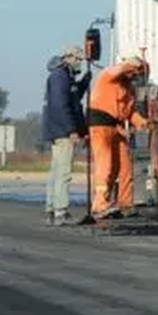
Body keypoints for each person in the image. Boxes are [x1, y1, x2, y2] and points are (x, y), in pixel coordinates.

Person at [86, 55, 151, 220]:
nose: (136, 78)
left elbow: (130, 112)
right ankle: (99, 204)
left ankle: (125, 203)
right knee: (105, 165)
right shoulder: (108, 77)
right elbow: (116, 70)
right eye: (136, 74)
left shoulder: (129, 89)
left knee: (125, 166)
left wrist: (144, 123)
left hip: (117, 128)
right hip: (100, 126)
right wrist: (131, 64)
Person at [41, 45, 90, 225]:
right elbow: (61, 105)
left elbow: (73, 99)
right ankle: (60, 211)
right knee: (63, 172)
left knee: (56, 171)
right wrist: (71, 130)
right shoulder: (60, 76)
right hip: (62, 131)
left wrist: (83, 83)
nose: (79, 63)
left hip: (58, 129)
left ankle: (51, 209)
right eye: (78, 59)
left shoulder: (65, 76)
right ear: (68, 57)